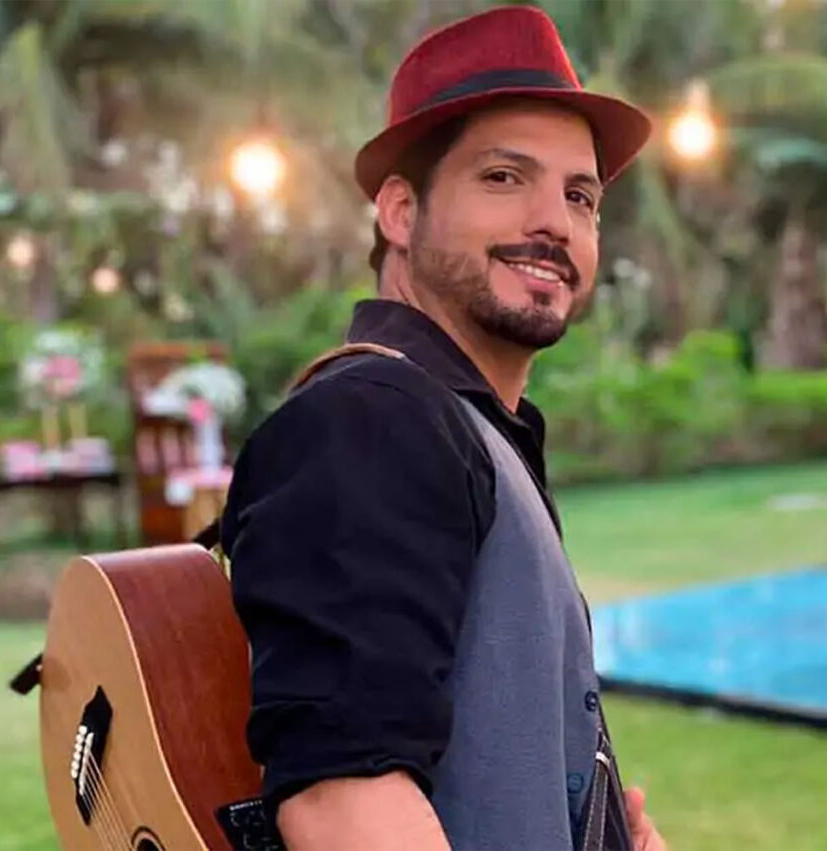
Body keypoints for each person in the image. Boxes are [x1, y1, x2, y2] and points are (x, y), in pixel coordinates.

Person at [221, 6, 667, 849]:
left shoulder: (471, 428)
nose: (554, 220)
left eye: (580, 196)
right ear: (400, 210)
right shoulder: (371, 419)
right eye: (504, 177)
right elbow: (344, 803)